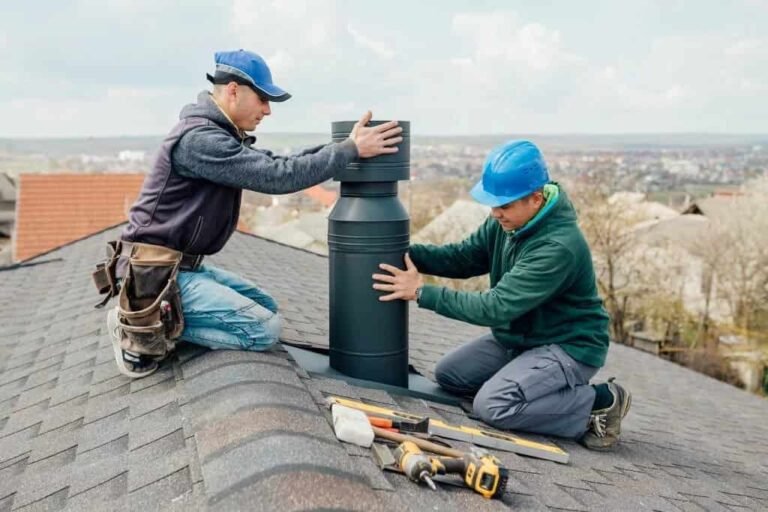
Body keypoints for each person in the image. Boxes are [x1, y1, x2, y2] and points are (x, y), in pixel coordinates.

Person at [109, 49, 402, 379]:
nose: (267, 110)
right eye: (262, 99)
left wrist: (343, 146)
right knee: (263, 329)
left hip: (180, 269)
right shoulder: (200, 140)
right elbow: (278, 177)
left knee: (266, 308)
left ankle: (158, 317)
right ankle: (141, 326)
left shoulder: (218, 135)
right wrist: (351, 150)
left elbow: (277, 163)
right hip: (155, 276)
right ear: (233, 90)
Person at [372, 140, 631, 450]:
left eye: (504, 205)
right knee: (450, 375)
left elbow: (494, 308)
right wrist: (401, 252)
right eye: (493, 204)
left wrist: (419, 292)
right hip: (520, 340)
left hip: (568, 347)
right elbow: (464, 258)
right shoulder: (508, 223)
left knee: (492, 406)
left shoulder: (557, 247)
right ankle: (529, 384)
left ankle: (596, 403)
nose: (495, 213)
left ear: (536, 199)